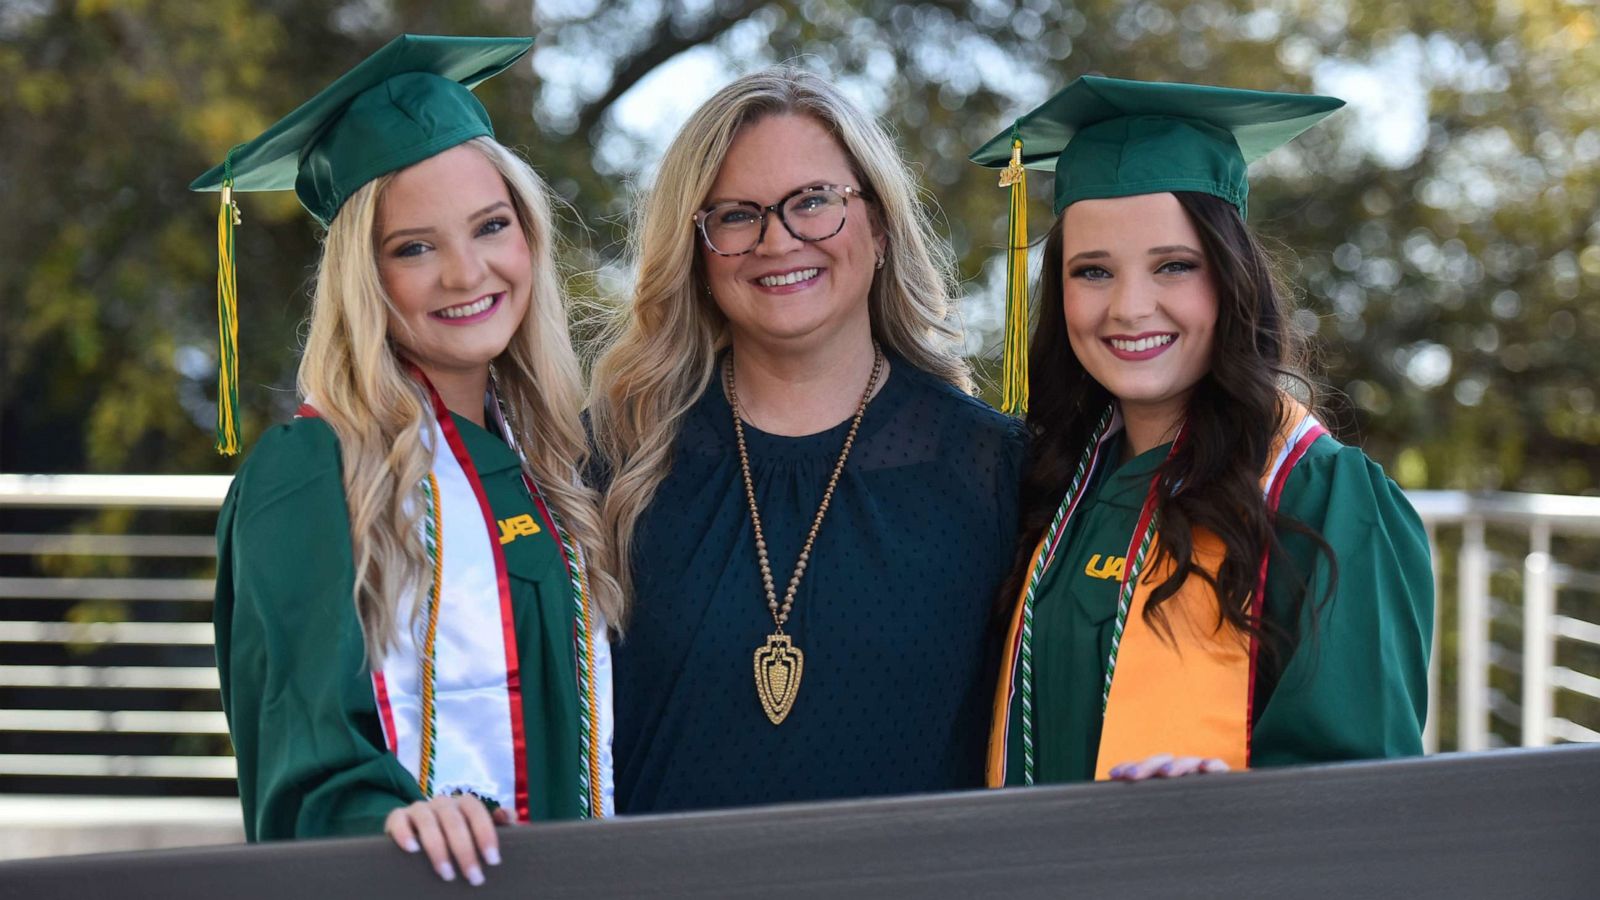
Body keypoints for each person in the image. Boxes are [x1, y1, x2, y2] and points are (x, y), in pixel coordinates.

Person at [196, 35, 619, 884]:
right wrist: (394, 815)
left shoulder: (554, 463)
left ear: (529, 235)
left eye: (491, 227)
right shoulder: (312, 470)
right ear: (365, 276)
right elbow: (303, 749)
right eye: (414, 247)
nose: (468, 272)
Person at [970, 76, 1433, 787]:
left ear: (1231, 275)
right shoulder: (1049, 485)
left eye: (1174, 266)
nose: (1129, 307)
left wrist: (1228, 808)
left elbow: (1359, 796)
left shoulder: (1320, 498)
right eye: (1092, 271)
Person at [588, 66, 1027, 812]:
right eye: (734, 215)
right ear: (695, 250)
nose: (777, 239)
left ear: (880, 225)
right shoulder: (613, 464)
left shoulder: (997, 470)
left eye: (814, 201)